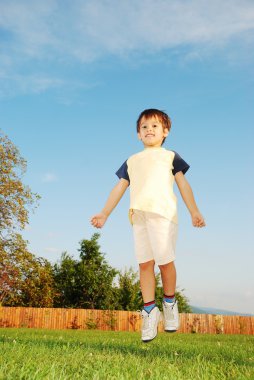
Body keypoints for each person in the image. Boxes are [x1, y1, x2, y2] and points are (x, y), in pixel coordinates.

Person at [90, 108, 205, 342]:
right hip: (138, 216)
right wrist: (104, 213)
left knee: (164, 262)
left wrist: (194, 211)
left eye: (154, 126)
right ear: (138, 135)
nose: (149, 130)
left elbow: (183, 185)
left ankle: (170, 303)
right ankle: (150, 312)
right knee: (144, 264)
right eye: (144, 127)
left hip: (163, 214)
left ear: (165, 131)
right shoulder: (131, 161)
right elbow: (119, 188)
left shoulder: (170, 156)